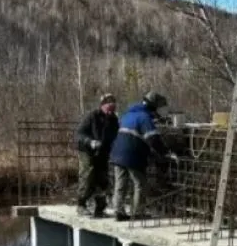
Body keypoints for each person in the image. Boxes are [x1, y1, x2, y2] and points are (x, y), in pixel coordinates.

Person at [110, 91, 178, 221]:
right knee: (140, 183)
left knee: (120, 183)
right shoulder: (144, 118)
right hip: (132, 154)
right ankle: (138, 213)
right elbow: (153, 139)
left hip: (117, 153)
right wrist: (166, 152)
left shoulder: (128, 115)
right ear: (153, 106)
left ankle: (118, 211)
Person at [73, 93, 119, 217]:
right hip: (87, 150)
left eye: (113, 108)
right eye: (109, 108)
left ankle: (100, 208)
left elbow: (115, 136)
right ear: (103, 105)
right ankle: (81, 205)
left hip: (103, 151)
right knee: (88, 175)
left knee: (103, 179)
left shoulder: (114, 120)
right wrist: (90, 142)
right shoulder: (92, 116)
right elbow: (79, 134)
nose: (111, 111)